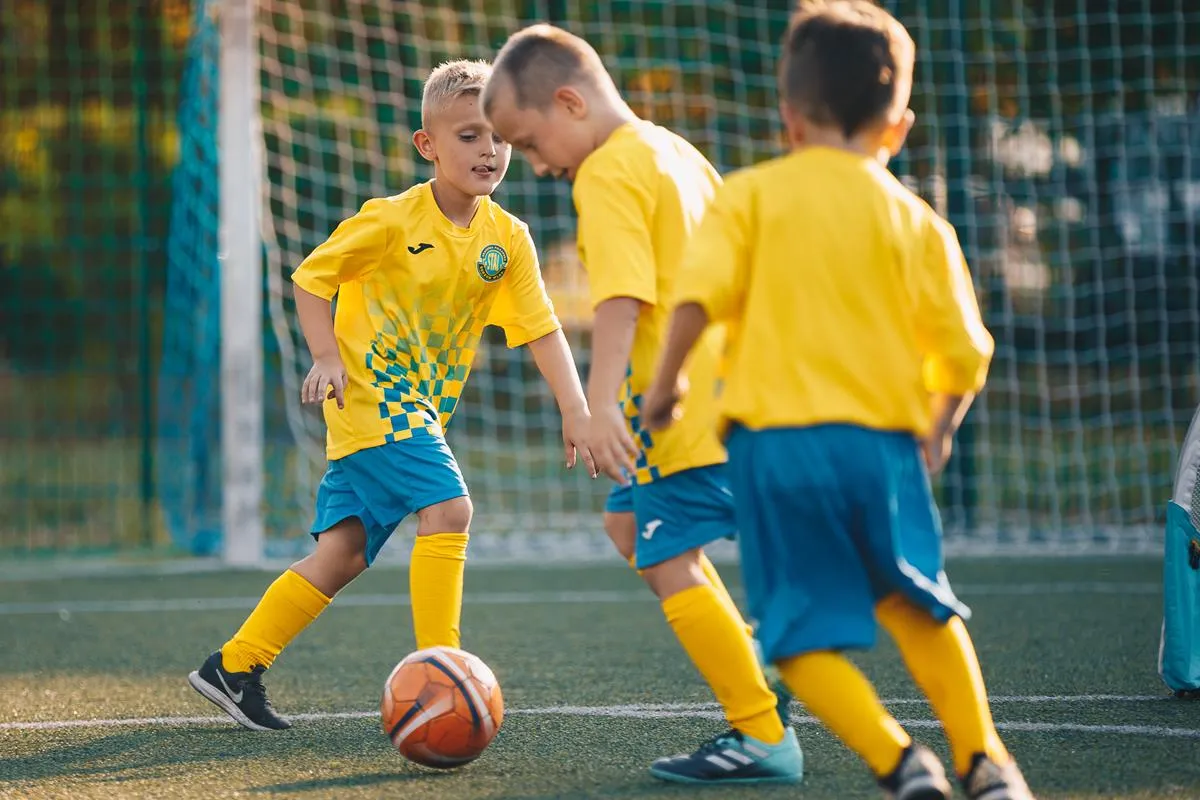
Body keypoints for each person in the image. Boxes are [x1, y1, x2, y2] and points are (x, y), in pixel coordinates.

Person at [642, 3, 1034, 799]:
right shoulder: (917, 221)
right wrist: (943, 424)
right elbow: (965, 350)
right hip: (882, 448)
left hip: (775, 448)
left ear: (788, 117)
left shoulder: (750, 197)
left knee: (794, 635)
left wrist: (667, 382)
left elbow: (696, 298)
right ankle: (984, 760)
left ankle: (900, 763)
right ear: (899, 126)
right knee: (920, 604)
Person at [188, 59, 594, 732]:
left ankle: (233, 667)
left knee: (340, 554)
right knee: (451, 508)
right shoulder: (389, 220)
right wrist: (327, 356)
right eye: (468, 136)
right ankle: (445, 672)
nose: (488, 150)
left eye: (499, 136)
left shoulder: (508, 240)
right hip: (378, 398)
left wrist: (576, 408)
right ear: (427, 145)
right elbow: (311, 279)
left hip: (413, 413)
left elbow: (543, 330)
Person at [482, 25, 804, 785]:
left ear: (569, 101)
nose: (534, 164)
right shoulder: (674, 151)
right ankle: (761, 660)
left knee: (667, 560)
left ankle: (764, 734)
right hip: (735, 390)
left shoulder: (606, 172)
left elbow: (623, 299)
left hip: (676, 409)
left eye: (531, 143)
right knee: (628, 523)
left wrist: (598, 406)